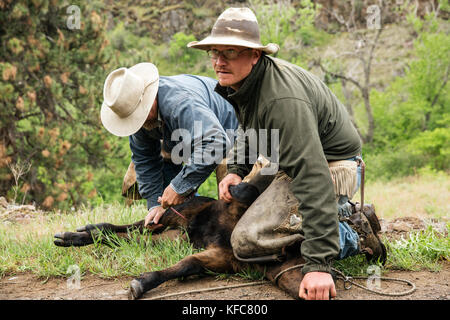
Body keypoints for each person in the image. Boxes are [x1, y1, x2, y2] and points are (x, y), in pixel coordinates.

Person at [187, 7, 385, 300]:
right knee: (241, 209)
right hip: (286, 162)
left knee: (246, 240)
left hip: (331, 169)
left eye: (229, 51)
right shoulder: (247, 82)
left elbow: (311, 173)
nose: (219, 61)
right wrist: (236, 170)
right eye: (214, 52)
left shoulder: (281, 99)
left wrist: (318, 265)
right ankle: (334, 219)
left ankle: (352, 232)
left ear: (255, 55)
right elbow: (249, 129)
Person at [100, 62, 238, 226]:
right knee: (141, 174)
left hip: (231, 133)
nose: (139, 120)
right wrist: (155, 205)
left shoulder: (180, 102)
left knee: (235, 208)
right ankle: (184, 215)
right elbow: (145, 159)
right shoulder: (136, 115)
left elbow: (215, 143)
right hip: (184, 138)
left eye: (139, 114)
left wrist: (179, 187)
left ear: (148, 98)